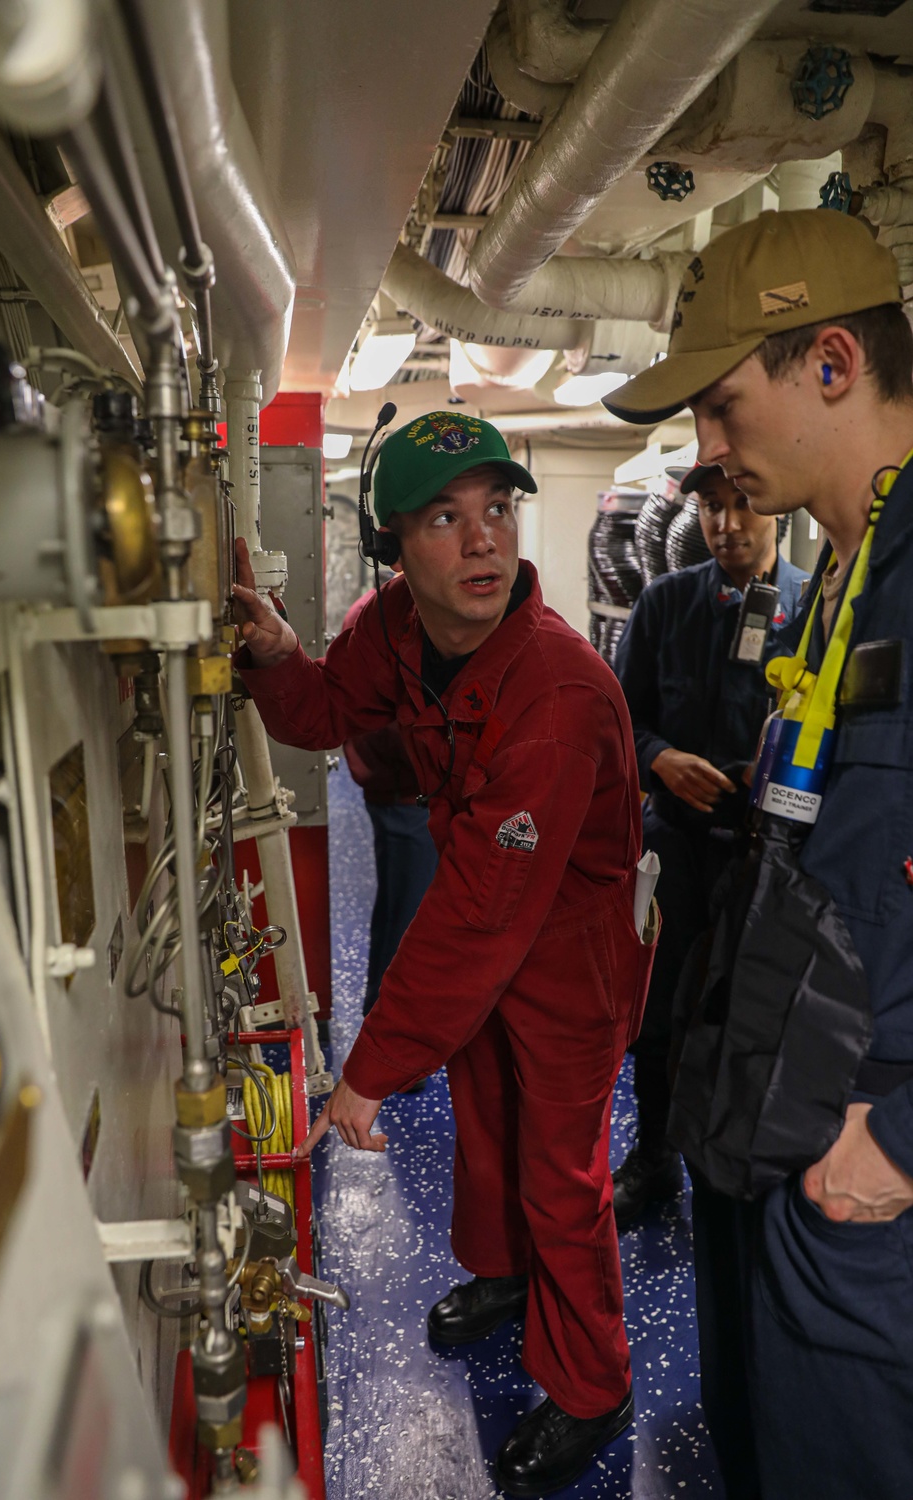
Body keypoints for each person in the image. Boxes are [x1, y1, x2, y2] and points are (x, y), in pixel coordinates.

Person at [231, 411, 655, 1498]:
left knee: (561, 1174)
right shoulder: (393, 632)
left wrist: (370, 1070)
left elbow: (477, 914)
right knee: (490, 1135)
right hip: (500, 938)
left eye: (497, 512)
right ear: (392, 550)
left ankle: (592, 1384)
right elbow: (329, 706)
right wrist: (277, 649)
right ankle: (511, 1279)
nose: (482, 543)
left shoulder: (553, 693)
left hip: (569, 960)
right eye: (445, 519)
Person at [603, 208, 913, 1500]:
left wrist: (898, 1135)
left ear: (831, 364)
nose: (707, 449)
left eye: (724, 407)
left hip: (864, 1182)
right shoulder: (848, 577)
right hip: (775, 1135)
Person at [612, 465, 809, 1229]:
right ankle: (656, 1161)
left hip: (767, 858)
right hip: (676, 849)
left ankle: (738, 1165)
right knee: (659, 1018)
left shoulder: (807, 611)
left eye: (742, 504)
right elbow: (618, 723)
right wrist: (658, 757)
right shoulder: (665, 604)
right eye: (711, 506)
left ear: (776, 512)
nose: (727, 522)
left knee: (751, 1015)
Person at [341, 591, 437, 1020]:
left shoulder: (413, 608)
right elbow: (381, 718)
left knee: (406, 912)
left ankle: (390, 1026)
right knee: (410, 924)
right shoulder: (381, 616)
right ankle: (394, 1043)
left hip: (416, 789)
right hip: (408, 792)